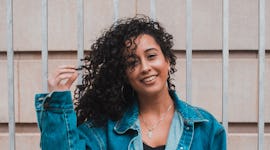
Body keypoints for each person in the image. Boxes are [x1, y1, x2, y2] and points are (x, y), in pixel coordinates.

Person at [35, 15, 227, 150]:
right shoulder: (105, 130)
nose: (145, 67)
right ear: (125, 74)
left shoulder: (206, 128)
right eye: (132, 62)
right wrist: (59, 101)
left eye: (151, 56)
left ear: (167, 60)